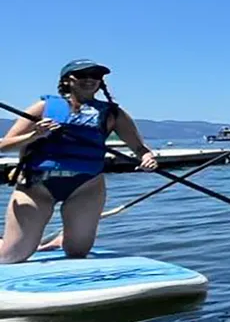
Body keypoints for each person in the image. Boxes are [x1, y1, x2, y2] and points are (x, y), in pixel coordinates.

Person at [0, 59, 158, 264]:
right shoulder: (43, 107)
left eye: (95, 76)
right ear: (67, 80)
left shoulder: (113, 113)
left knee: (77, 253)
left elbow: (139, 148)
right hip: (37, 185)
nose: (89, 80)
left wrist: (147, 157)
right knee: (10, 256)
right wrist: (34, 135)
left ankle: (62, 240)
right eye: (82, 75)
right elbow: (4, 145)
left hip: (86, 186)